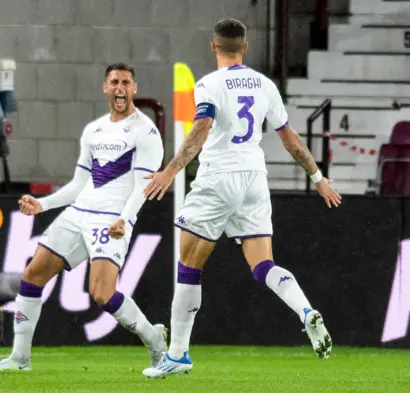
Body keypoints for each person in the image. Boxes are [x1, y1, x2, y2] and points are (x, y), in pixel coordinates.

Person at [141, 18, 342, 378]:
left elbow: (201, 131)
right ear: (245, 47)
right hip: (254, 179)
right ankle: (306, 312)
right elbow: (291, 139)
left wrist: (169, 171)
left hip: (218, 177)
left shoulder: (209, 84)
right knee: (263, 265)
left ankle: (178, 355)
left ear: (213, 46)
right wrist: (318, 178)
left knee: (189, 265)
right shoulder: (265, 85)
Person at [0, 63, 166, 372]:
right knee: (32, 276)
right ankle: (20, 359)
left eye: (126, 82)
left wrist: (125, 219)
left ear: (133, 88)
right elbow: (79, 184)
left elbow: (143, 186)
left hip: (111, 219)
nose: (120, 87)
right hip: (78, 213)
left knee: (102, 294)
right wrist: (43, 205)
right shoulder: (93, 130)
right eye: (114, 82)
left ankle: (155, 340)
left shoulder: (146, 132)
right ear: (105, 88)